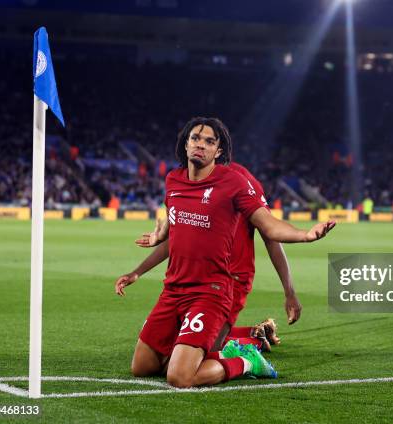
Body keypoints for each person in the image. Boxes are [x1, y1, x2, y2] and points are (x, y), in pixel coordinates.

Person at [114, 117, 335, 388]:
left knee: (180, 377)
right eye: (196, 138)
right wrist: (140, 268)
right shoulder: (173, 180)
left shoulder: (236, 181)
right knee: (142, 367)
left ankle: (246, 361)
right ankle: (238, 340)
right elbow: (176, 234)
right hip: (173, 289)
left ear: (220, 150)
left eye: (210, 141)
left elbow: (269, 228)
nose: (201, 145)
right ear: (185, 143)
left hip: (214, 288)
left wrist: (305, 235)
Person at [133, 161, 302, 353]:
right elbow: (179, 238)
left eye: (210, 141)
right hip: (196, 278)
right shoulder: (188, 180)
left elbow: (271, 235)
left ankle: (252, 349)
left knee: (197, 355)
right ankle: (254, 334)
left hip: (231, 279)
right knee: (168, 344)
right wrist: (138, 272)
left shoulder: (241, 180)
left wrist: (289, 292)